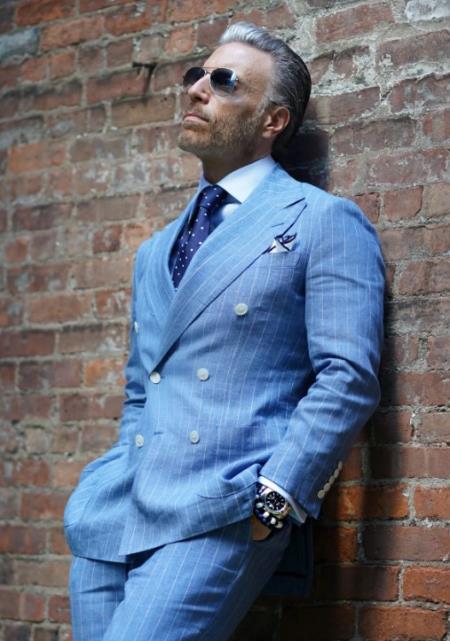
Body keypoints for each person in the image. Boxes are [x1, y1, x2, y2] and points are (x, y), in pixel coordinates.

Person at [64, 22, 385, 641]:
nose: (196, 89)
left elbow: (347, 377)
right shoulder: (155, 250)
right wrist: (110, 471)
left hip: (220, 510)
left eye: (224, 81)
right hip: (114, 514)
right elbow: (142, 389)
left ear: (273, 121)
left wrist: (276, 497)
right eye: (196, 75)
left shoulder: (321, 221)